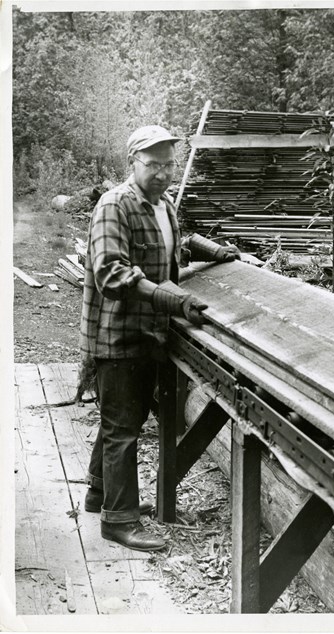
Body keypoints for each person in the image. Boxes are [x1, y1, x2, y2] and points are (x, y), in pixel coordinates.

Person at [81, 125, 239, 551]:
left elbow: (172, 248)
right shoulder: (115, 205)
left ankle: (99, 494)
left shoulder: (162, 205)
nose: (163, 173)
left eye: (169, 164)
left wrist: (213, 251)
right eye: (153, 165)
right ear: (133, 163)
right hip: (118, 335)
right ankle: (119, 521)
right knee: (122, 430)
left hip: (148, 333)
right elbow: (112, 273)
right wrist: (173, 298)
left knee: (121, 419)